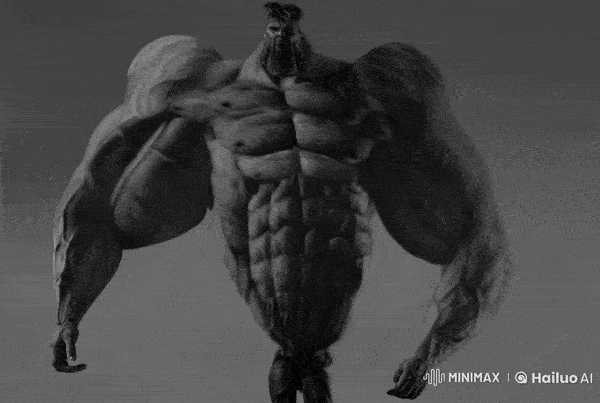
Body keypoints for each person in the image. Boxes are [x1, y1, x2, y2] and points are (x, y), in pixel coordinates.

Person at [52, 3, 512, 401]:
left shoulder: (372, 94)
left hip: (327, 288)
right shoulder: (201, 89)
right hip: (264, 281)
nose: (283, 33)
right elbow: (92, 191)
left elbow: (479, 226)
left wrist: (432, 351)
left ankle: (305, 363)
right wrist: (69, 313)